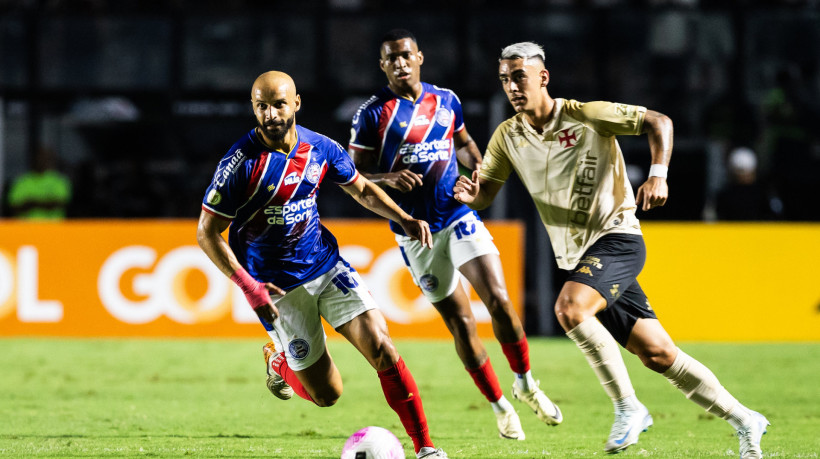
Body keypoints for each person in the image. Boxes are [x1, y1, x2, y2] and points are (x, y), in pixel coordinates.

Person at [453, 41, 769, 458]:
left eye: (519, 77)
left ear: (543, 77)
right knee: (658, 354)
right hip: (579, 259)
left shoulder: (587, 115)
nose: (511, 87)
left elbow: (659, 121)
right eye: (504, 79)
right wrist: (472, 197)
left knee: (570, 309)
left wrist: (658, 175)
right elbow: (487, 194)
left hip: (617, 238)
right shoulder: (507, 136)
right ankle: (746, 419)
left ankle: (628, 407)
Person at [196, 70, 447, 459]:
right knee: (327, 394)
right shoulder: (240, 164)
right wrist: (249, 287)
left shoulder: (321, 148)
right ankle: (278, 361)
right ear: (253, 108)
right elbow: (207, 233)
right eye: (262, 106)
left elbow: (361, 189)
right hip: (278, 288)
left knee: (382, 346)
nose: (271, 114)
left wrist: (404, 218)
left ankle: (426, 449)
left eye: (279, 104)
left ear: (296, 103)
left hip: (327, 267)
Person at [348, 29, 561, 441]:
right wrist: (388, 178)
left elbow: (463, 144)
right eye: (391, 58)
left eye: (406, 55)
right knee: (462, 324)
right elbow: (352, 175)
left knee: (499, 299)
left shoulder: (446, 100)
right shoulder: (372, 114)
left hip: (457, 215)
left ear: (419, 57)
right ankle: (499, 405)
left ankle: (525, 383)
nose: (400, 63)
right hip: (416, 235)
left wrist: (478, 167)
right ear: (382, 65)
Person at [7, 145, 72, 219]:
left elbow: (60, 203)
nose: (41, 160)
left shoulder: (59, 181)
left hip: (53, 225)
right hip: (27, 226)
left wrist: (32, 203)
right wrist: (46, 201)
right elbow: (14, 207)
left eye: (44, 158)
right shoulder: (21, 182)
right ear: (33, 160)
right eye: (38, 157)